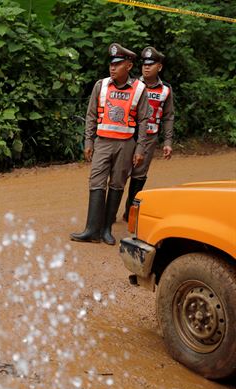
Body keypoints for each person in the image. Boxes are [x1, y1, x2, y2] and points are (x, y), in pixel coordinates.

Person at [71, 43, 149, 245]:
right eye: (111, 64)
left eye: (118, 64)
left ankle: (106, 229)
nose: (112, 68)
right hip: (102, 143)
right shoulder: (101, 85)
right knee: (96, 182)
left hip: (126, 145)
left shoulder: (140, 89)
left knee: (116, 184)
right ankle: (91, 230)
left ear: (129, 66)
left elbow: (143, 121)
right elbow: (90, 115)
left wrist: (140, 149)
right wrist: (88, 141)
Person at [122, 46, 174, 221]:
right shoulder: (133, 85)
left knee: (139, 174)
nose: (146, 67)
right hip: (129, 135)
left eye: (151, 64)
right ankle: (109, 214)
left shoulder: (166, 90)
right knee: (120, 173)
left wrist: (167, 141)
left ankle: (130, 212)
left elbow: (168, 116)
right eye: (144, 64)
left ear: (159, 67)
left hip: (150, 138)